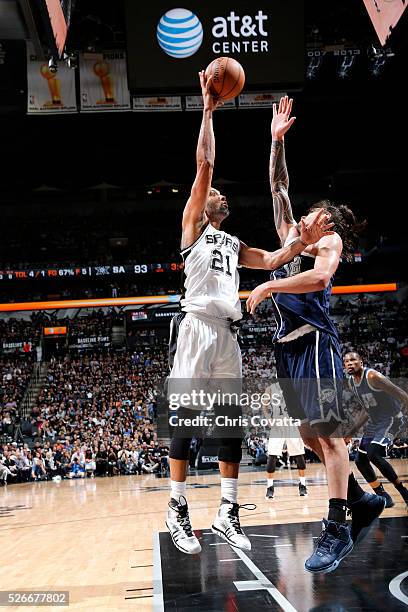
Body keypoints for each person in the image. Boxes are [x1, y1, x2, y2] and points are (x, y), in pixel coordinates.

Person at [166, 77, 334, 556]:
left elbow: (276, 260)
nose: (218, 193)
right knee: (186, 420)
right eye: (212, 192)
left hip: (227, 333)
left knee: (230, 425)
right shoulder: (194, 229)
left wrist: (303, 239)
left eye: (219, 193)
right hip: (195, 327)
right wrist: (207, 111)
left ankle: (227, 512)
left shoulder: (234, 244)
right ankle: (177, 506)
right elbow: (205, 164)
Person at [246, 96, 385, 574]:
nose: (307, 214)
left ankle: (337, 527)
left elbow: (319, 281)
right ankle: (363, 500)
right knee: (308, 438)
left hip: (316, 341)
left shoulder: (328, 243)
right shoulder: (290, 233)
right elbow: (277, 182)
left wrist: (270, 282)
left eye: (317, 213)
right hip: (288, 350)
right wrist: (276, 143)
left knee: (330, 437)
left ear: (327, 221)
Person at [344, 351, 408, 508]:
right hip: (375, 422)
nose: (349, 363)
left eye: (353, 360)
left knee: (373, 453)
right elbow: (366, 410)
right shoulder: (351, 382)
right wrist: (351, 432)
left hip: (392, 419)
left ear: (361, 362)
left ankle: (403, 492)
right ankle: (383, 495)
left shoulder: (373, 377)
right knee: (360, 460)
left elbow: (402, 394)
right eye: (346, 361)